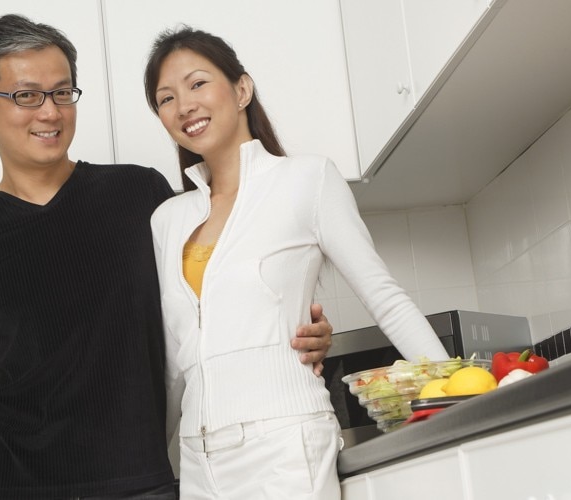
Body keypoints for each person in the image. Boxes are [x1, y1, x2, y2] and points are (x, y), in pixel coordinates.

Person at [0, 14, 333, 500]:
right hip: (9, 485)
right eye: (26, 95)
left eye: (62, 93)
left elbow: (212, 291)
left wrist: (294, 328)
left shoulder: (140, 194)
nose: (50, 112)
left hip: (137, 479)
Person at [144, 26, 451, 499]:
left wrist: (456, 394)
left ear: (241, 89)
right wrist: (151, 465)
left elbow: (384, 297)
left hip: (285, 447)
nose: (183, 105)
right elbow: (173, 365)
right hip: (198, 463)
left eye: (197, 83)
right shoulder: (168, 220)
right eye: (165, 98)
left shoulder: (308, 181)